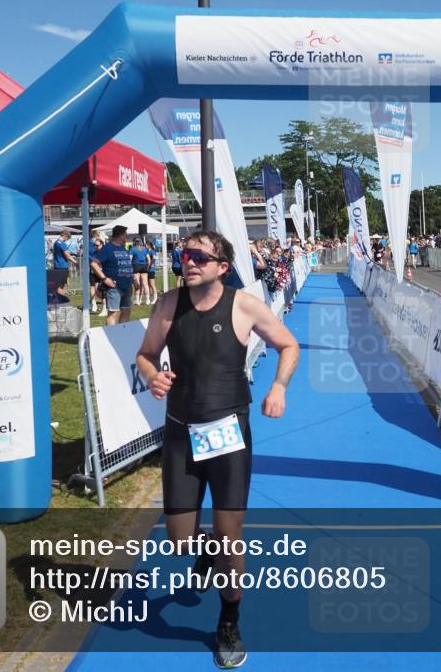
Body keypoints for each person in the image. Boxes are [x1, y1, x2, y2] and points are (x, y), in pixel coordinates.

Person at [136, 230, 300, 669]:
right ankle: (206, 549)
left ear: (222, 267)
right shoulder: (168, 304)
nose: (187, 262)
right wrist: (152, 376)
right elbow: (146, 353)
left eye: (197, 256)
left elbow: (288, 345)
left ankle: (229, 619)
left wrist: (278, 388)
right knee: (178, 543)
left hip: (228, 434)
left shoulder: (243, 306)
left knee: (230, 537)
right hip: (179, 433)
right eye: (183, 255)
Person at [90, 225, 134, 326]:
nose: (127, 236)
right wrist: (104, 279)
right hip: (114, 286)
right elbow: (94, 264)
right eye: (125, 234)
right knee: (113, 313)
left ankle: (122, 333)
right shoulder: (108, 248)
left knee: (126, 311)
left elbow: (127, 263)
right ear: (120, 235)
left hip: (127, 285)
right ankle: (110, 334)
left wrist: (134, 279)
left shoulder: (123, 247)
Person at [130, 237, 151, 306]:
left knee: (137, 283)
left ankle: (137, 300)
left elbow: (130, 259)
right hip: (144, 266)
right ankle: (148, 300)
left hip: (136, 266)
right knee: (145, 284)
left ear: (135, 242)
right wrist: (148, 266)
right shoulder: (145, 249)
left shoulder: (133, 249)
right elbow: (149, 259)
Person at [51, 229, 72, 294]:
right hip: (63, 266)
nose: (66, 240)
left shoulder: (56, 242)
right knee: (61, 285)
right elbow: (67, 256)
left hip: (57, 265)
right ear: (65, 236)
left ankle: (58, 297)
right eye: (67, 238)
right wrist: (75, 262)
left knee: (58, 284)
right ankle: (61, 298)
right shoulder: (62, 244)